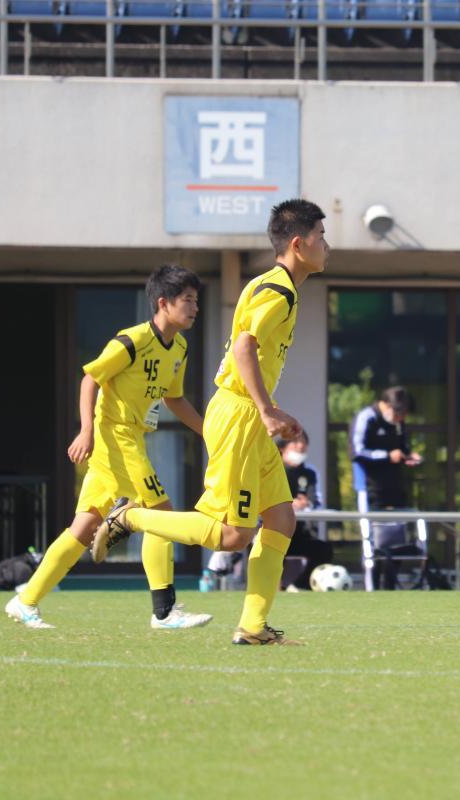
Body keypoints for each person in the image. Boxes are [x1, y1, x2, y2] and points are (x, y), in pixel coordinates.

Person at [92, 198, 329, 645]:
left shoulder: (276, 286)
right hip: (240, 413)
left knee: (281, 519)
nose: (327, 246)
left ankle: (253, 627)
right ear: (298, 244)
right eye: (321, 236)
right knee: (233, 535)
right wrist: (266, 409)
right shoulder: (277, 291)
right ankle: (132, 518)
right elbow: (243, 347)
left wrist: (269, 410)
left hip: (247, 414)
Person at [4, 264, 212, 630]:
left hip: (131, 441)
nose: (195, 307)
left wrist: (209, 433)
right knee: (162, 514)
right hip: (114, 438)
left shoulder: (179, 347)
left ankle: (25, 601)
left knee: (83, 528)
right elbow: (90, 379)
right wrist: (85, 430)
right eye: (188, 300)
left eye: (196, 300)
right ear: (163, 303)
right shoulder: (131, 340)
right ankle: (164, 612)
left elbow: (174, 399)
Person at [351, 386, 423, 589]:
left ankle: (390, 585)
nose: (401, 419)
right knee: (372, 540)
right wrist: (387, 456)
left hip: (395, 487)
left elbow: (403, 447)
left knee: (398, 537)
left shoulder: (398, 424)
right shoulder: (367, 418)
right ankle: (372, 585)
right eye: (401, 414)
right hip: (370, 488)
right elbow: (357, 451)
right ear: (388, 406)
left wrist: (409, 456)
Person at [280, 431, 335, 591]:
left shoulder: (309, 473)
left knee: (323, 550)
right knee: (269, 550)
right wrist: (288, 504)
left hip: (299, 532)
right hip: (273, 531)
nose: (300, 446)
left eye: (303, 442)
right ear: (283, 448)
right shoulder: (271, 469)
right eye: (295, 442)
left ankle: (299, 587)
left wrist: (306, 503)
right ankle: (273, 588)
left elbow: (315, 501)